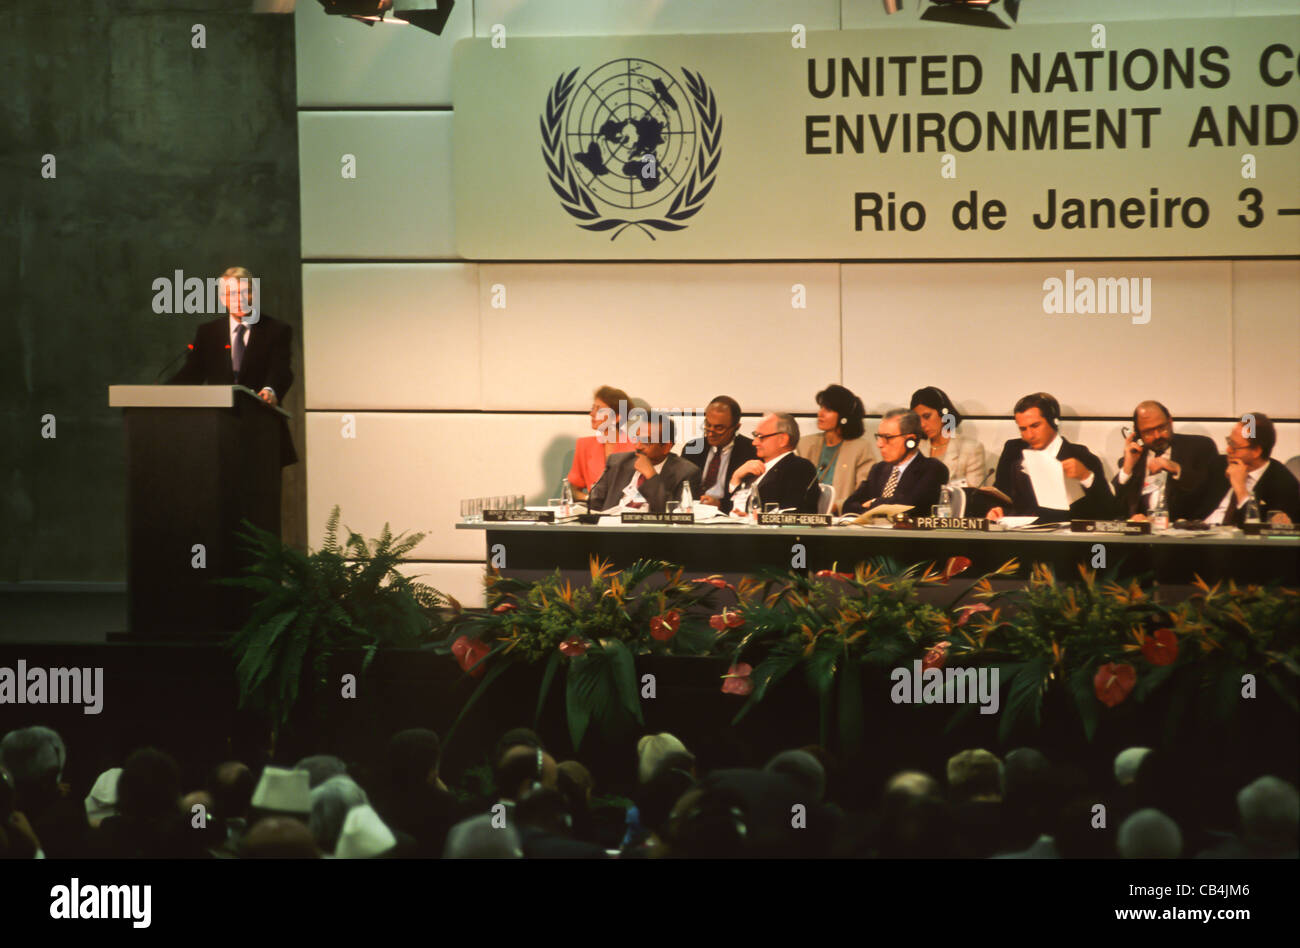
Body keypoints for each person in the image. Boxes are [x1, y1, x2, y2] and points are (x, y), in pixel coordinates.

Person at [168, 266, 297, 465]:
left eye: (245, 292)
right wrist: (161, 395)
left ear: (254, 294)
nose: (239, 299)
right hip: (218, 434)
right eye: (231, 293)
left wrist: (271, 390)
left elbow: (281, 370)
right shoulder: (208, 333)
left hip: (263, 432)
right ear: (222, 298)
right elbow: (191, 374)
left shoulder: (276, 330)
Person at [987, 392, 1116, 523]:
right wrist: (999, 512)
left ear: (1054, 422)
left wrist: (1086, 477)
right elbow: (1013, 503)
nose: (1029, 435)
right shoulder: (1017, 458)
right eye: (1023, 429)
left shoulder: (1082, 456)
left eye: (1035, 426)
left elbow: (1109, 511)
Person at [1113, 401, 1220, 522]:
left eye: (1161, 428)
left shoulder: (1199, 448)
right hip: (1143, 535)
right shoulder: (1136, 457)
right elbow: (1113, 506)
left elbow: (1208, 493)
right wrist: (1127, 468)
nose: (1157, 435)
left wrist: (1177, 469)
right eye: (1148, 432)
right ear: (1138, 434)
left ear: (1170, 421)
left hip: (1185, 534)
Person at [586, 414, 701, 514]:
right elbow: (593, 504)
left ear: (666, 447)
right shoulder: (618, 462)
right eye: (636, 438)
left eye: (646, 441)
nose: (638, 446)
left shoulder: (686, 473)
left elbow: (672, 515)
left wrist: (651, 475)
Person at [842, 410, 949, 516]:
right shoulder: (878, 469)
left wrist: (874, 503)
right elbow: (849, 505)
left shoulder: (932, 469)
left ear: (910, 441)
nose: (879, 444)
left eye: (887, 437)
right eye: (879, 437)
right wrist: (878, 507)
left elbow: (909, 505)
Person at [1199, 413, 1298, 525]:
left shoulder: (1283, 484)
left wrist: (1241, 490)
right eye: (1229, 441)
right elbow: (1186, 507)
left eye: (1234, 446)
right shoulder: (1219, 465)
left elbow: (1260, 533)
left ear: (1256, 451)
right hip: (1200, 536)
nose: (1228, 450)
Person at [796, 384, 876, 514]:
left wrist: (835, 506)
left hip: (841, 518)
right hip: (806, 515)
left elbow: (864, 493)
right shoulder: (805, 444)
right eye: (821, 407)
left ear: (844, 417)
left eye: (828, 410)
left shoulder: (860, 448)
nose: (820, 414)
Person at [727, 412, 820, 514]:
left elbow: (792, 511)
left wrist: (753, 518)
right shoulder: (754, 467)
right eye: (755, 436)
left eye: (760, 437)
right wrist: (736, 478)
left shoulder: (799, 468)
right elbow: (731, 508)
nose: (754, 442)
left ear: (782, 440)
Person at [679, 396, 757, 513]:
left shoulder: (751, 451)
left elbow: (751, 495)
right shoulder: (693, 448)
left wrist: (720, 505)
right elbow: (681, 488)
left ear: (736, 427)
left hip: (729, 515)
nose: (711, 432)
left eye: (719, 428)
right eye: (708, 425)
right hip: (694, 512)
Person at [566, 385, 636, 501]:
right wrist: (589, 499)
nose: (591, 413)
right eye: (593, 408)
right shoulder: (584, 445)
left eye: (599, 410)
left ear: (617, 417)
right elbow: (572, 490)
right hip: (594, 513)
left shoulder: (636, 447)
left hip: (624, 514)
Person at [910, 386, 987, 487]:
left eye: (927, 416)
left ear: (943, 413)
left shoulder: (971, 448)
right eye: (918, 419)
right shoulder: (916, 448)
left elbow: (974, 492)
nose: (922, 424)